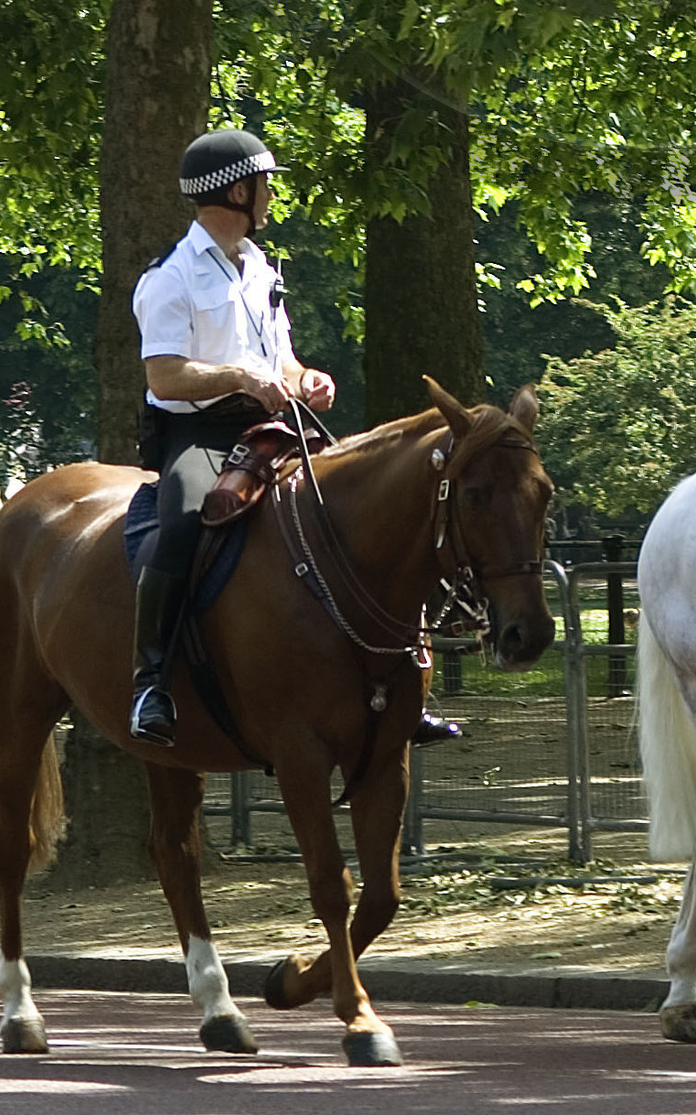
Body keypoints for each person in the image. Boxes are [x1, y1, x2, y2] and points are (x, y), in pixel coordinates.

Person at [128, 127, 458, 749]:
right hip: (199, 433)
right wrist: (240, 377)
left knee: (361, 511)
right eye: (265, 183)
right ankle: (151, 684)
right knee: (179, 526)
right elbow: (164, 375)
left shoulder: (258, 268)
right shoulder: (169, 277)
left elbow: (278, 360)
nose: (272, 194)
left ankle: (399, 685)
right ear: (235, 190)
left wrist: (306, 378)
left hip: (274, 426)